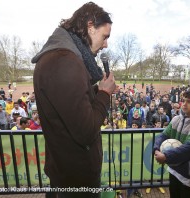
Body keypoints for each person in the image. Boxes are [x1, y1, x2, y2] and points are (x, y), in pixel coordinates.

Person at [32, 2, 116, 198]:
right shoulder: (64, 61)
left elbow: (70, 106)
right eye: (105, 36)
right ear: (89, 26)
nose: (106, 44)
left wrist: (96, 91)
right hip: (76, 180)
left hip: (67, 174)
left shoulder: (62, 58)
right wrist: (104, 94)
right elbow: (85, 131)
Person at [154, 90, 190, 198]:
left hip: (188, 173)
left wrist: (165, 156)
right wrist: (156, 149)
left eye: (189, 102)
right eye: (183, 101)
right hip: (174, 168)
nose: (184, 104)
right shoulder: (176, 119)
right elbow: (163, 135)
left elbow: (189, 148)